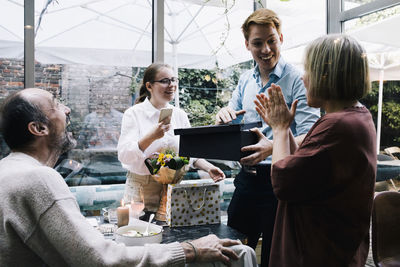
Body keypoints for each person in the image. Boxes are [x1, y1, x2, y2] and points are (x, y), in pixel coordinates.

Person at [0, 88, 256, 266]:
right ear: (38, 128)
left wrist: (203, 164)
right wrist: (190, 250)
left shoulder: (9, 170)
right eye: (56, 105)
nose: (66, 109)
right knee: (239, 253)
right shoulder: (39, 179)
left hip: (169, 192)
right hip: (142, 190)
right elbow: (100, 260)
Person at [255, 34, 376, 266]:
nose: (303, 79)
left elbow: (283, 180)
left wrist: (280, 130)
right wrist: (284, 128)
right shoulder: (355, 116)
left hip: (315, 254)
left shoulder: (337, 125)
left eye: (309, 71)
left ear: (327, 76)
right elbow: (300, 167)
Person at [215, 8, 320, 266]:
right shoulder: (244, 80)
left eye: (271, 40)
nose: (266, 49)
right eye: (257, 43)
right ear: (247, 45)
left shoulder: (298, 81)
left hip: (280, 183)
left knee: (275, 256)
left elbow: (309, 137)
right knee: (232, 253)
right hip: (246, 181)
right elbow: (234, 125)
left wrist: (270, 148)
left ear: (281, 38)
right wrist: (222, 117)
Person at [117, 63, 225, 222]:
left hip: (174, 191)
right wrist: (151, 136)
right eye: (165, 80)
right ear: (149, 85)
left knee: (170, 239)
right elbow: (124, 155)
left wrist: (209, 168)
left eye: (174, 80)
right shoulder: (133, 114)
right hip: (140, 191)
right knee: (139, 240)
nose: (172, 85)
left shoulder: (180, 115)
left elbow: (191, 153)